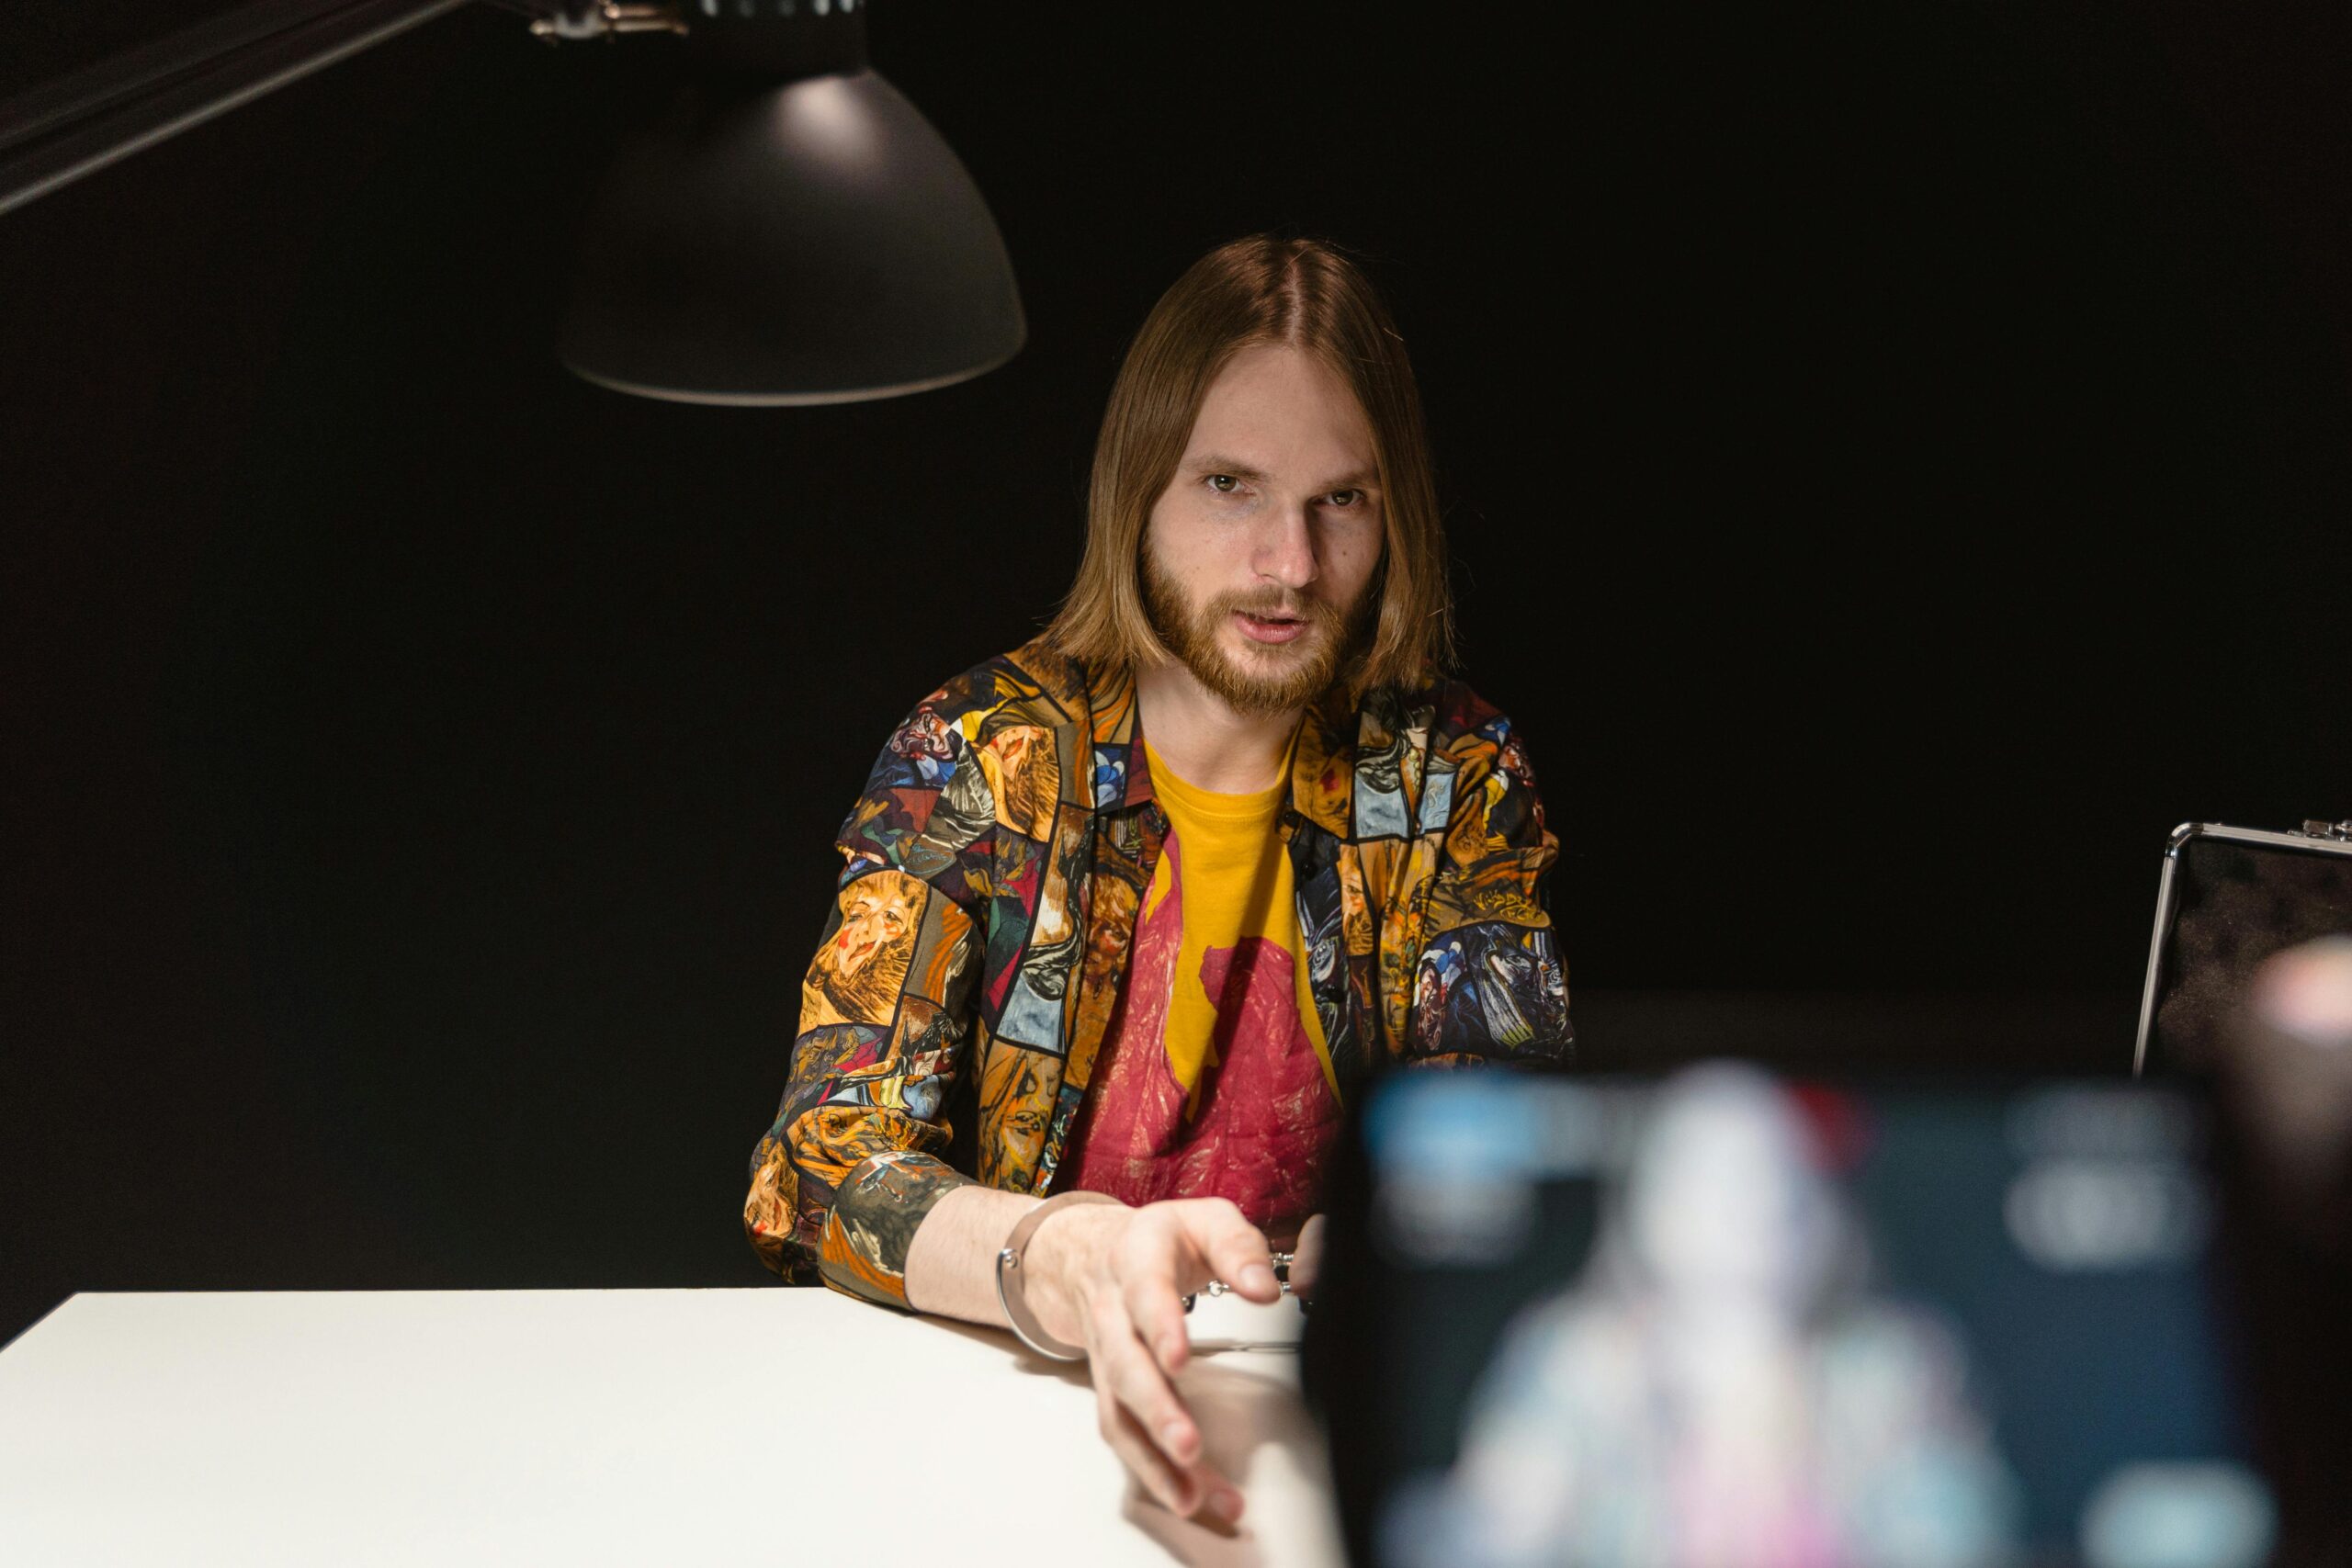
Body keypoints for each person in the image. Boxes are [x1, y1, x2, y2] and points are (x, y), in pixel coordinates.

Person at [741, 231, 1573, 1526]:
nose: (1289, 565)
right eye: (1231, 486)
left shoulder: (1450, 772)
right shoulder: (982, 757)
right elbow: (819, 1163)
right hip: (1005, 1418)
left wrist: (1399, 1237)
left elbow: (1505, 1138)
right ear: (1138, 490)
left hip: (1311, 1435)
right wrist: (1058, 1252)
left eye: (1342, 500)